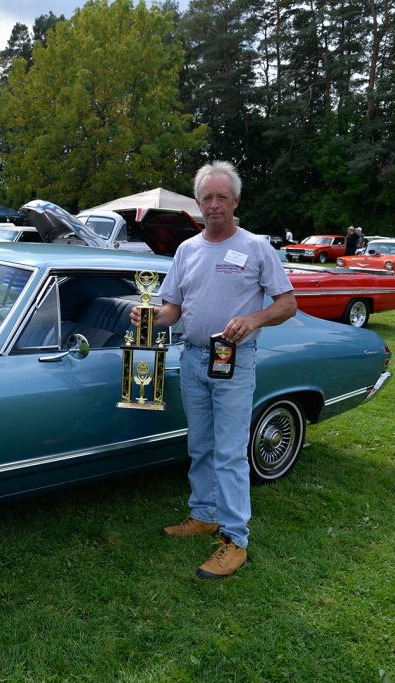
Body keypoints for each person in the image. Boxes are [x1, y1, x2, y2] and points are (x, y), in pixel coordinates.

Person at [130, 161, 296, 580]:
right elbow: (173, 310)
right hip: (193, 358)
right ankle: (203, 514)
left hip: (235, 363)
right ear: (198, 204)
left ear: (236, 201)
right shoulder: (187, 250)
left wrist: (254, 320)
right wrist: (149, 317)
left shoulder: (257, 247)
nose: (215, 204)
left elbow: (287, 304)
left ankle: (235, 539)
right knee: (201, 445)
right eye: (208, 197)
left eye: (223, 196)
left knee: (229, 453)